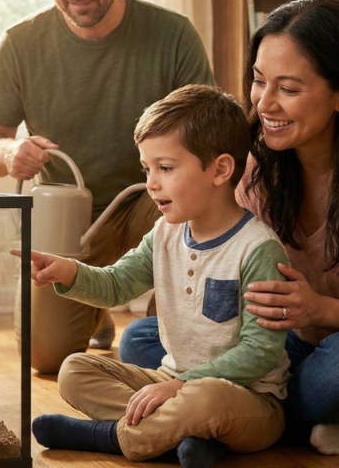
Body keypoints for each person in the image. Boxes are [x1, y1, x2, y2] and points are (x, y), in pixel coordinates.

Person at [118, 0, 339, 456]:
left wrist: (318, 310)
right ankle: (237, 414)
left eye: (288, 88)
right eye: (259, 80)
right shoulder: (254, 167)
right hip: (293, 346)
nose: (265, 103)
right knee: (144, 339)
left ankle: (235, 415)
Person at [0, 0, 214, 373]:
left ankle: (164, 337)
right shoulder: (20, 45)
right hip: (69, 215)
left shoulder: (173, 35)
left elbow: (209, 143)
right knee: (44, 360)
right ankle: (96, 304)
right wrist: (8, 152)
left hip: (152, 202)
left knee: (188, 204)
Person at [24, 85, 291, 467]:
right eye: (147, 169)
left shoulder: (258, 250)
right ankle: (186, 438)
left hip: (248, 400)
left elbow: (260, 352)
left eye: (165, 168)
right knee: (74, 369)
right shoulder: (164, 234)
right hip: (169, 383)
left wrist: (184, 386)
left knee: (206, 399)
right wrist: (68, 272)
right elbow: (117, 285)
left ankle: (111, 438)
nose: (151, 183)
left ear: (220, 170)